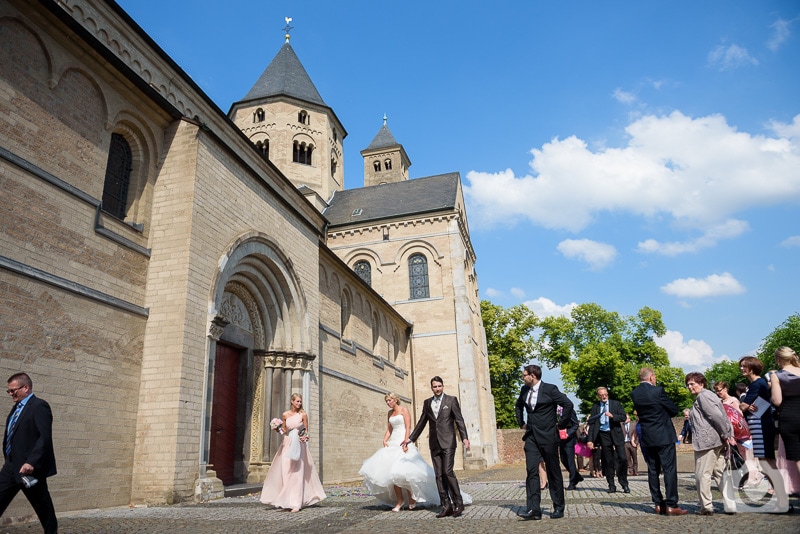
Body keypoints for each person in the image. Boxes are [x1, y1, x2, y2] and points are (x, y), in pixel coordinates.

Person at [359, 393, 471, 511]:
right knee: (391, 473)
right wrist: (385, 439)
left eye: (389, 400)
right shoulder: (389, 413)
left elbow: (408, 427)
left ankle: (413, 498)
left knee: (405, 472)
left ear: (395, 400)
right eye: (386, 401)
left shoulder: (404, 410)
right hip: (393, 443)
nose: (388, 402)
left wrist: (407, 441)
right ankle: (400, 500)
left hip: (404, 441)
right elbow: (389, 429)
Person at [404, 376, 470, 518]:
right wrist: (410, 439)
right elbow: (422, 422)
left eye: (439, 386)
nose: (437, 389)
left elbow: (459, 420)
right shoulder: (427, 403)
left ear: (443, 386)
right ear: (431, 388)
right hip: (434, 443)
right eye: (435, 386)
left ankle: (459, 503)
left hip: (448, 441)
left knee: (447, 472)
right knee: (439, 475)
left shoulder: (451, 400)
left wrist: (465, 437)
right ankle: (446, 506)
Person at [514, 364, 573, 520]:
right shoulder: (524, 390)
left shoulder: (550, 389)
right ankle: (534, 509)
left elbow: (568, 404)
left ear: (532, 376)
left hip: (549, 436)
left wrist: (561, 424)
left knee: (553, 471)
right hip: (531, 436)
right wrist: (521, 423)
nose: (523, 377)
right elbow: (518, 406)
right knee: (531, 470)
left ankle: (559, 506)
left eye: (524, 375)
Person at [0, 373, 57, 534]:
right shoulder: (16, 408)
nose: (11, 394)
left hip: (30, 469)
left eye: (13, 391)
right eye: (9, 391)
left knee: (44, 510)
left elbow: (44, 437)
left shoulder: (39, 406)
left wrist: (32, 461)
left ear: (25, 387)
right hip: (11, 467)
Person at [631, 367, 688, 515]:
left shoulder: (635, 393)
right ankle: (671, 504)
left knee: (653, 470)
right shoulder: (658, 391)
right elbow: (673, 410)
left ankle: (658, 503)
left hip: (647, 436)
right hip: (663, 435)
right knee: (669, 470)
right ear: (651, 378)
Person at [260, 393, 326, 512]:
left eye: (300, 401)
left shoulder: (303, 414)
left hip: (299, 444)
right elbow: (284, 431)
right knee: (286, 471)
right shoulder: (285, 414)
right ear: (292, 401)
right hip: (287, 443)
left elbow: (306, 430)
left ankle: (296, 503)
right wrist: (277, 428)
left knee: (296, 473)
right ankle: (285, 500)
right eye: (297, 401)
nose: (299, 403)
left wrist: (304, 437)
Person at [740, 355, 789, 512]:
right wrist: (747, 406)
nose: (741, 368)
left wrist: (746, 406)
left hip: (761, 426)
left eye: (744, 366)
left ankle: (783, 501)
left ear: (752, 368)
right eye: (741, 366)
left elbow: (742, 406)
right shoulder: (758, 384)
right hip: (759, 425)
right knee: (765, 462)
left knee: (767, 462)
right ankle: (782, 500)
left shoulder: (757, 384)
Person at [685, 372, 736, 515]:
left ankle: (706, 507)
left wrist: (727, 434)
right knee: (720, 473)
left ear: (701, 384)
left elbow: (716, 416)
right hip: (716, 440)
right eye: (688, 384)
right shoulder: (708, 396)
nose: (689, 387)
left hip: (708, 442)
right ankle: (730, 504)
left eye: (692, 383)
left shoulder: (703, 396)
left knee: (702, 474)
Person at [714, 381, 761, 484]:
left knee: (746, 456)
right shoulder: (720, 402)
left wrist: (738, 433)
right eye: (716, 391)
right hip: (729, 434)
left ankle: (754, 477)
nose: (718, 393)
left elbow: (739, 416)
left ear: (726, 389)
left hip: (739, 433)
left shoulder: (733, 400)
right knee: (735, 457)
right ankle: (740, 479)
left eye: (719, 390)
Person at [769, 346, 800, 493]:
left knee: (798, 458)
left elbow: (777, 400)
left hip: (790, 417)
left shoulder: (777, 375)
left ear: (778, 359)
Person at [587, 387, 629, 493]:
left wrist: (613, 416)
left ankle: (624, 482)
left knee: (623, 458)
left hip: (615, 433)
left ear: (608, 394)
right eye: (601, 395)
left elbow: (623, 417)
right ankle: (611, 484)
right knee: (608, 460)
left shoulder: (615, 404)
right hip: (603, 434)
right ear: (598, 396)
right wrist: (590, 440)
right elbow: (592, 424)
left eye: (605, 394)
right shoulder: (595, 407)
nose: (604, 396)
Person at [558, 405, 583, 490]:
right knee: (563, 459)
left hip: (569, 438)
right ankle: (577, 476)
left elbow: (575, 424)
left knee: (570, 460)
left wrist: (568, 434)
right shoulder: (555, 411)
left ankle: (572, 483)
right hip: (560, 438)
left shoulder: (570, 410)